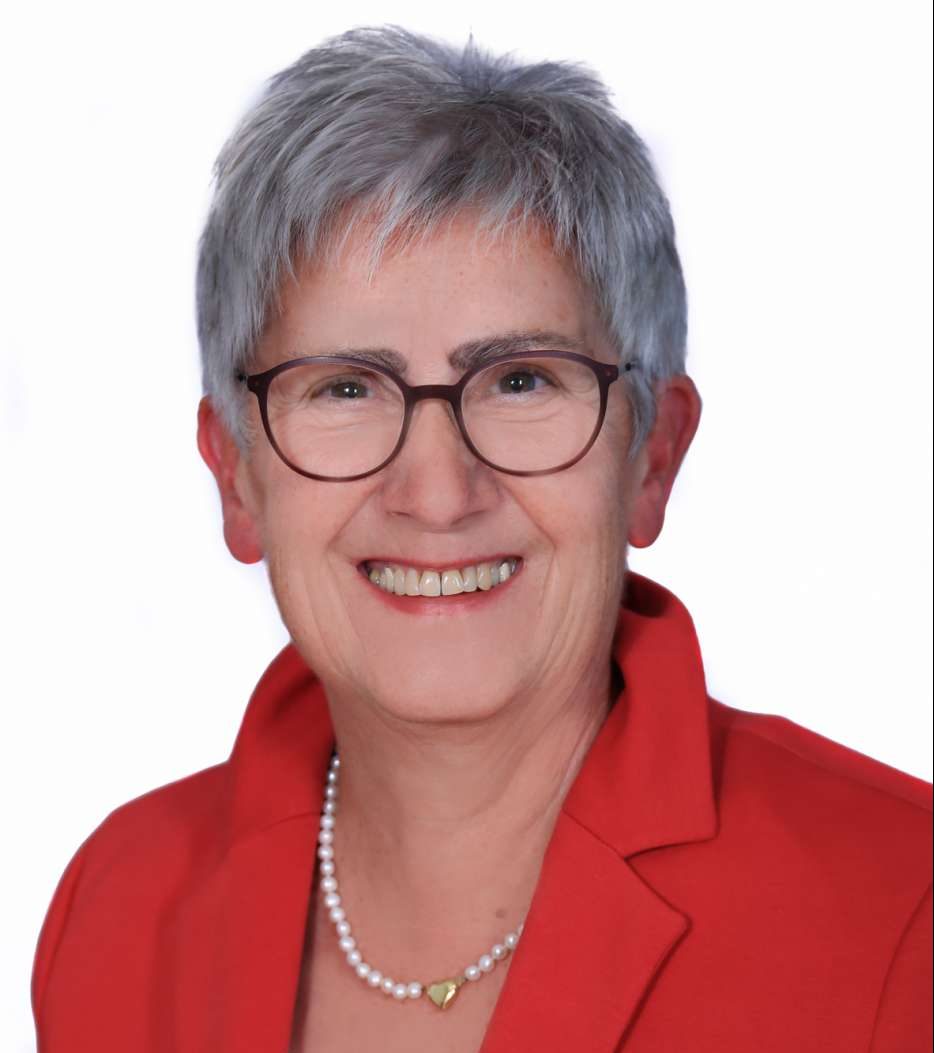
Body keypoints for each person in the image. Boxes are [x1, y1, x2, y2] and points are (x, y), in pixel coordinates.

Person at [32, 25, 931, 1053]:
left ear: (652, 456)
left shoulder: (904, 912)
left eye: (520, 381)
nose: (437, 492)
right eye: (345, 388)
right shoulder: (118, 909)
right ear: (237, 475)